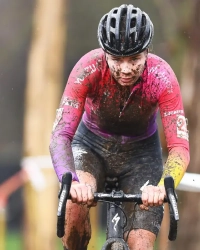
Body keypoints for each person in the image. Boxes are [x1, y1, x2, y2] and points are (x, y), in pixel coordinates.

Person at [49, 4, 190, 250]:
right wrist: (70, 181)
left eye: (134, 59)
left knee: (141, 244)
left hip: (141, 155)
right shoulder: (87, 68)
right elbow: (60, 135)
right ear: (104, 53)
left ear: (148, 51)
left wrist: (162, 186)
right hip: (90, 147)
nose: (125, 69)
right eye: (116, 59)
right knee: (74, 208)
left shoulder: (163, 78)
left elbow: (179, 147)